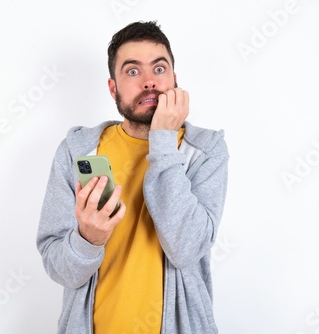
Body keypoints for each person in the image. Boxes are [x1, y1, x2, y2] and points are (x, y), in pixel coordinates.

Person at [37, 20, 229, 334]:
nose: (150, 83)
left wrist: (164, 140)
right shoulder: (79, 152)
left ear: (175, 80)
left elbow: (186, 248)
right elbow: (60, 269)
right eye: (133, 71)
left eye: (159, 69)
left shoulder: (205, 151)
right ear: (113, 87)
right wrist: (87, 240)